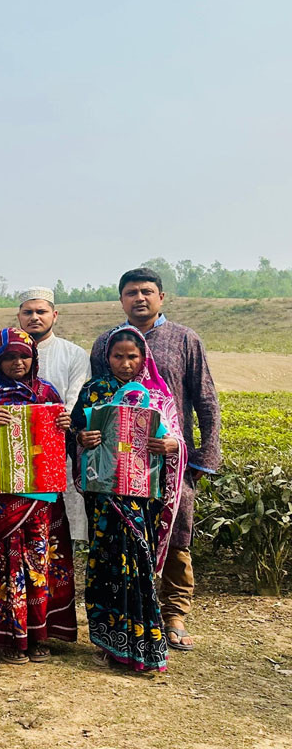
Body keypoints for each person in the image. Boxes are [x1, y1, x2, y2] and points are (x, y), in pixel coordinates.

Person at [88, 268, 221, 652]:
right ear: (121, 300)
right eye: (131, 292)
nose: (140, 298)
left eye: (147, 291)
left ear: (162, 297)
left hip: (169, 460)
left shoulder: (184, 339)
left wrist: (198, 455)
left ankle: (175, 614)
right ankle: (127, 614)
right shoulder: (106, 343)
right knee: (125, 535)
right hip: (119, 465)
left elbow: (206, 401)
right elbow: (98, 399)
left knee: (177, 532)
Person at [74, 326, 187, 672]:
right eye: (118, 356)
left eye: (132, 357)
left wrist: (170, 446)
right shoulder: (93, 392)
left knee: (136, 565)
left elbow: (176, 440)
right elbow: (75, 435)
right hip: (105, 499)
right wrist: (84, 438)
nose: (125, 364)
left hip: (140, 501)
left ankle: (142, 641)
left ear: (144, 358)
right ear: (107, 358)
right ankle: (109, 641)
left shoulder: (156, 394)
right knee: (106, 562)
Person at [0, 328, 77, 664]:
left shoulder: (46, 392)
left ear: (34, 358)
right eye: (9, 356)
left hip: (38, 498)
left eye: (24, 356)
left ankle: (39, 635)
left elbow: (60, 447)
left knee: (38, 563)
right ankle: (10, 637)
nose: (17, 362)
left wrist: (65, 424)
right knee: (4, 565)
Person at [16, 287, 91, 543]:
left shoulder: (74, 354)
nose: (34, 317)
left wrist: (61, 420)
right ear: (19, 316)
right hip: (16, 451)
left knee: (60, 530)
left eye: (41, 311)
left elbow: (75, 399)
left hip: (60, 448)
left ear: (54, 315)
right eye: (28, 312)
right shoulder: (9, 355)